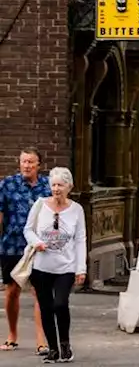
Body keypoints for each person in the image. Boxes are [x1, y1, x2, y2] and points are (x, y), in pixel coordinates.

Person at [24, 167, 85, 364]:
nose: (56, 189)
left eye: (61, 185)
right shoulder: (40, 205)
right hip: (41, 266)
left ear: (69, 187)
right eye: (53, 185)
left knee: (60, 304)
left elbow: (80, 239)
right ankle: (53, 349)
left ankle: (65, 344)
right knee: (46, 307)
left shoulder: (77, 209)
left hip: (65, 267)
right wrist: (36, 242)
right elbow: (28, 229)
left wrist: (80, 268)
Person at [0, 149, 48, 355]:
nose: (27, 165)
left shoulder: (48, 186)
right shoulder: (7, 185)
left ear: (39, 165)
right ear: (19, 163)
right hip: (13, 244)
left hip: (39, 246)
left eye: (31, 162)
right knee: (12, 292)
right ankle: (12, 335)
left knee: (39, 292)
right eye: (23, 162)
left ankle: (41, 340)